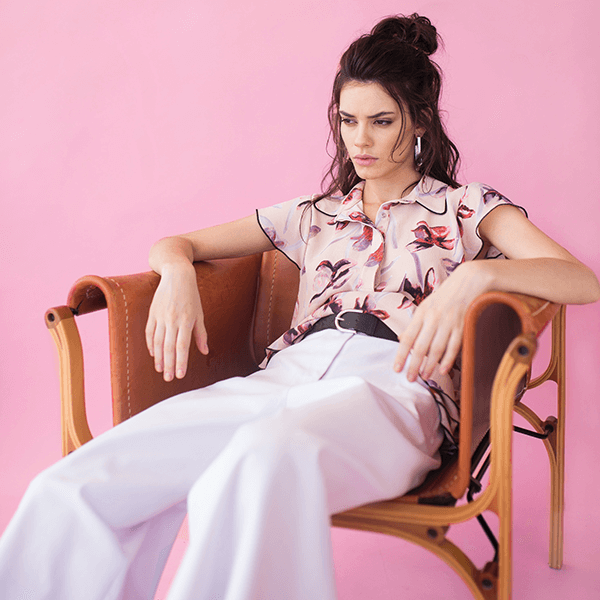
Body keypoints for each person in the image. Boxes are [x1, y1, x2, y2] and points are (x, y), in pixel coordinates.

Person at [0, 13, 598, 600]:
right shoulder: (313, 215)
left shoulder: (467, 207)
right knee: (86, 478)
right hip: (283, 376)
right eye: (348, 120)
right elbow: (177, 243)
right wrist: (177, 272)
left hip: (396, 383)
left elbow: (580, 279)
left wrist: (475, 275)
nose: (360, 141)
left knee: (266, 457)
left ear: (419, 122)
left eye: (381, 121)